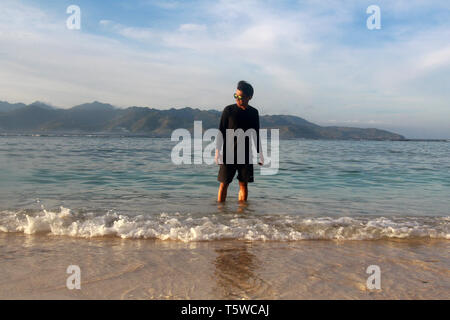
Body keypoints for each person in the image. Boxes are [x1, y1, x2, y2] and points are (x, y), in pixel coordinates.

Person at [215, 81, 263, 202]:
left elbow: (256, 134)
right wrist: (217, 152)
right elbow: (221, 131)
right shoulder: (229, 110)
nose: (237, 99)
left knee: (244, 185)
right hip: (228, 154)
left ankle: (242, 217)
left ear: (249, 97)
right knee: (224, 184)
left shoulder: (253, 113)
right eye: (236, 96)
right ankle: (220, 214)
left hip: (246, 155)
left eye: (240, 97)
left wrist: (260, 154)